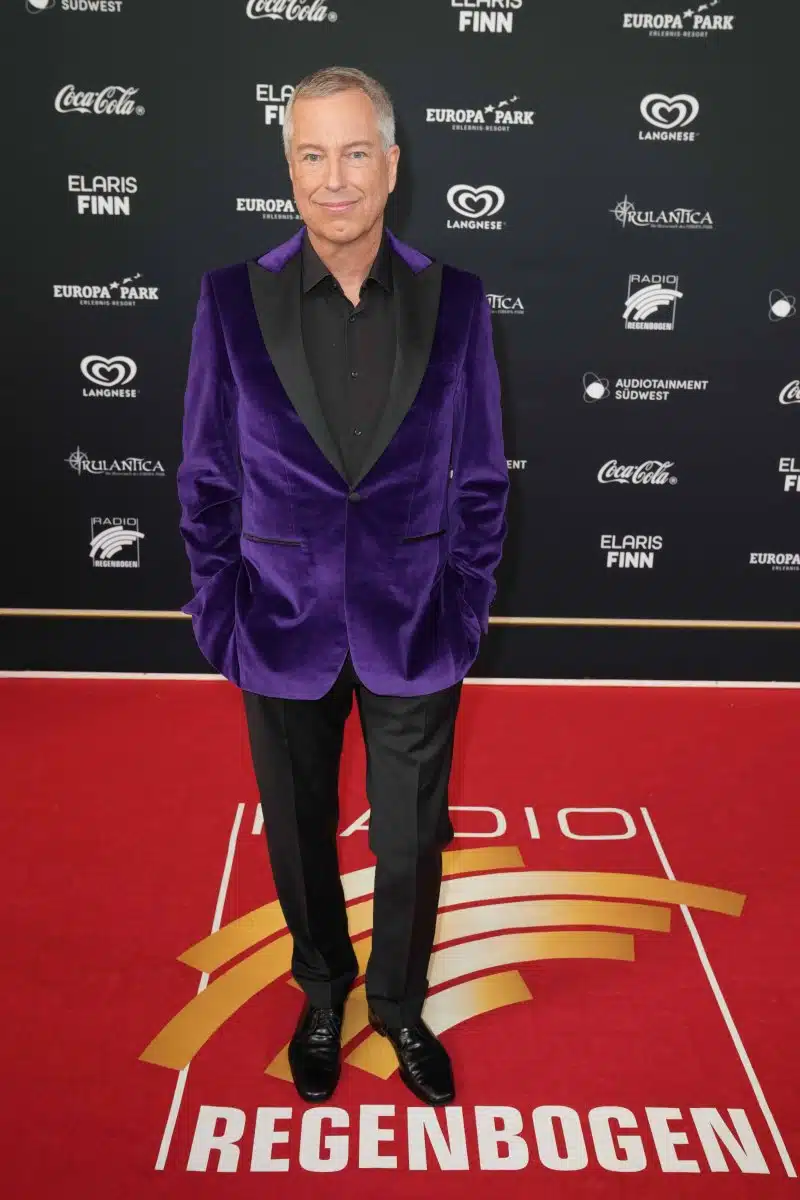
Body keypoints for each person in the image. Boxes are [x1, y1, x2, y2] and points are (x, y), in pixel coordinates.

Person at [177, 66, 509, 1107]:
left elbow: (482, 477)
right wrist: (222, 614)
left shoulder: (456, 301)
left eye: (355, 152)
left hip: (416, 623)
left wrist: (461, 609)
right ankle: (322, 993)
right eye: (312, 155)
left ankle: (400, 1008)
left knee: (410, 839)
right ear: (289, 169)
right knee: (297, 832)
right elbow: (204, 475)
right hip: (277, 622)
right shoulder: (230, 299)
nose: (335, 179)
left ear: (392, 165)